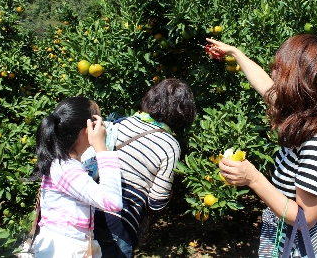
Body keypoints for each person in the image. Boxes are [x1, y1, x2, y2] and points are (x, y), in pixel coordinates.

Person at [208, 35, 317, 258]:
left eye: (280, 69)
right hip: (290, 238)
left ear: (299, 80)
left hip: (313, 245)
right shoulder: (303, 115)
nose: (273, 74)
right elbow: (264, 85)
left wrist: (253, 179)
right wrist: (235, 52)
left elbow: (305, 219)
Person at [93, 78, 197, 258]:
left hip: (89, 212)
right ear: (184, 112)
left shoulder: (122, 123)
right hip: (121, 223)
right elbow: (157, 201)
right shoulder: (170, 145)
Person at [32, 97, 123, 257]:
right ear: (88, 129)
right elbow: (112, 201)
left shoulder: (64, 164)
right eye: (98, 120)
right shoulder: (64, 168)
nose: (103, 126)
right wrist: (101, 148)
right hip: (65, 250)